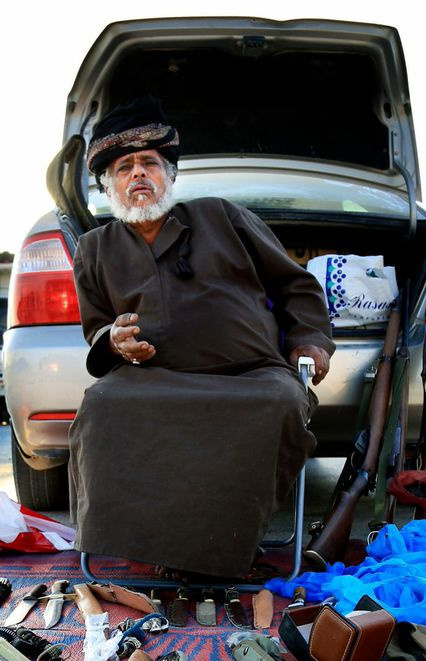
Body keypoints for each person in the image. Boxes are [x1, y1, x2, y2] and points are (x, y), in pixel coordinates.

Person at [67, 97, 335, 579]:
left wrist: (311, 338)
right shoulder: (94, 249)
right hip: (156, 378)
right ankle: (144, 546)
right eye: (124, 168)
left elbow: (295, 284)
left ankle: (221, 551)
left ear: (170, 175)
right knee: (102, 405)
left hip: (250, 374)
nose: (139, 175)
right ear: (110, 187)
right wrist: (114, 342)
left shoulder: (222, 216)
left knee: (279, 402)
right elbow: (97, 328)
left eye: (150, 163)